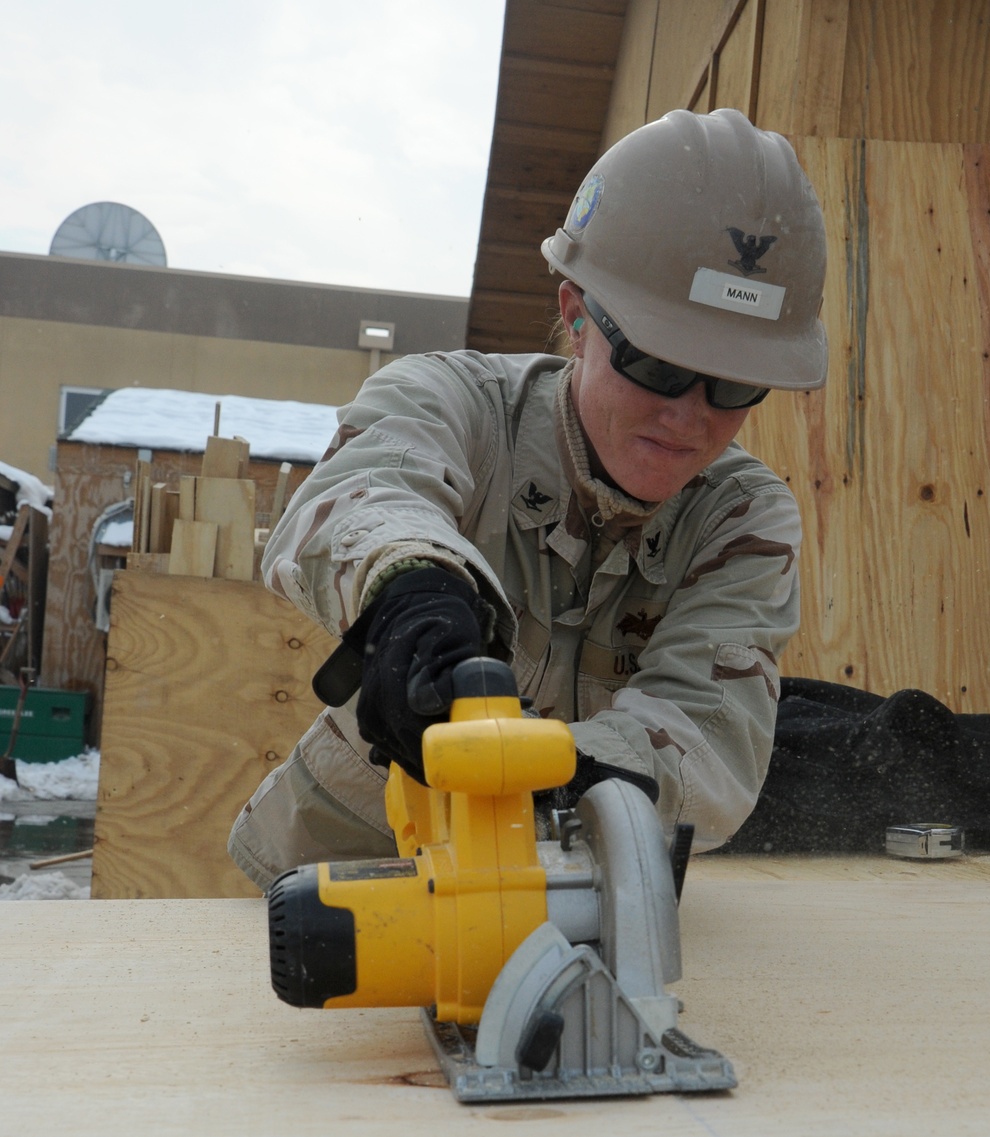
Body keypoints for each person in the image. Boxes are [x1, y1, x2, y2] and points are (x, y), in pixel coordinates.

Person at [228, 107, 828, 892]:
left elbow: (707, 741)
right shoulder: (457, 402)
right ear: (577, 319)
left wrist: (540, 772)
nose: (689, 413)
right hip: (334, 886)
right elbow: (360, 491)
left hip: (582, 900)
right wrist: (409, 588)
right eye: (658, 365)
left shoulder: (742, 519)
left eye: (735, 383)